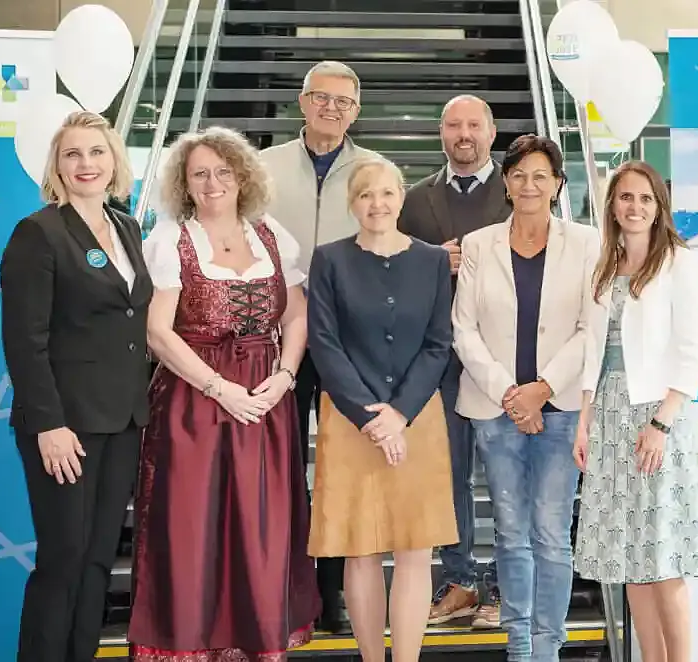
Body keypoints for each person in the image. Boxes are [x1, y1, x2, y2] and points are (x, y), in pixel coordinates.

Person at [128, 126, 320, 661]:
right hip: (193, 403)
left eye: (222, 171)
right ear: (185, 185)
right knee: (192, 526)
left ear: (242, 176)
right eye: (199, 174)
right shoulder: (170, 240)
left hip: (266, 398)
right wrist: (219, 388)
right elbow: (157, 331)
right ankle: (188, 648)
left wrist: (284, 376)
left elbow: (298, 312)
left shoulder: (273, 235)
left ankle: (253, 644)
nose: (213, 183)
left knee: (260, 527)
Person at [0, 110, 149, 662]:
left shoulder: (127, 226)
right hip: (65, 425)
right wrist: (48, 424)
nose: (86, 164)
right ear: (57, 168)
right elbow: (24, 341)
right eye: (73, 155)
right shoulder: (38, 233)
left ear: (114, 162)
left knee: (95, 561)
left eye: (97, 152)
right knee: (63, 559)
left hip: (124, 419)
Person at [451, 134, 601, 662]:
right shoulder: (477, 244)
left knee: (552, 534)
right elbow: (463, 329)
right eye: (519, 175)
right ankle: (520, 648)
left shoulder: (586, 244)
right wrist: (510, 394)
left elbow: (592, 328)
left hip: (560, 412)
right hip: (496, 413)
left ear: (558, 185)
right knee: (512, 534)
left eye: (541, 175)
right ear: (506, 185)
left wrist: (542, 390)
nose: (529, 184)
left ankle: (548, 648)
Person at [307, 157, 456, 662]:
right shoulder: (329, 259)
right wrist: (372, 416)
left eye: (387, 193)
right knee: (361, 548)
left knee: (416, 550)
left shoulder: (432, 260)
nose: (377, 203)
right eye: (366, 194)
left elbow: (439, 344)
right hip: (351, 422)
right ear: (352, 203)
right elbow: (324, 345)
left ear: (401, 199)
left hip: (417, 420)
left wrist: (399, 414)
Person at [573, 160, 698, 662]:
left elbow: (692, 352)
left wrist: (660, 423)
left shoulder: (680, 263)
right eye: (626, 197)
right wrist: (584, 421)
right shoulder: (604, 266)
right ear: (612, 205)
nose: (635, 207)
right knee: (627, 558)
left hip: (655, 412)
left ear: (659, 208)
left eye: (645, 199)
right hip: (608, 413)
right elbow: (594, 349)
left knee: (663, 556)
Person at [260, 60, 380, 631]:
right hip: (275, 337)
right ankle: (278, 591)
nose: (331, 108)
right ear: (301, 101)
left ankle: (329, 595)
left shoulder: (372, 171)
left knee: (338, 468)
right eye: (321, 98)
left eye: (343, 102)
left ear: (356, 110)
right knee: (276, 467)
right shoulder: (262, 167)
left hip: (347, 342)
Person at [399, 94, 511, 628]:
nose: (463, 134)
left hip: (504, 357)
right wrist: (430, 264)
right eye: (452, 125)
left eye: (473, 125)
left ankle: (506, 586)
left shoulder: (519, 192)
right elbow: (390, 269)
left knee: (509, 475)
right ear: (440, 132)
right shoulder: (414, 199)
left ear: (491, 132)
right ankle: (461, 579)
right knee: (450, 477)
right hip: (439, 357)